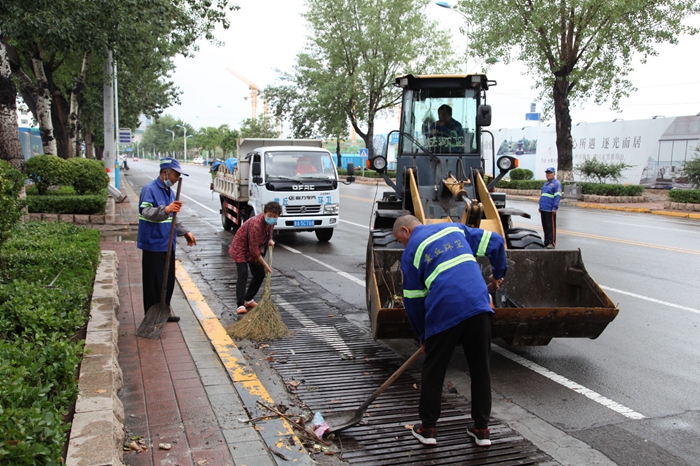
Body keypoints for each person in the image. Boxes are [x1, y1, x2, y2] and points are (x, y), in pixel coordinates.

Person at [392, 215, 507, 448]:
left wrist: (423, 336)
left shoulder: (412, 251)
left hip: (444, 310)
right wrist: (498, 272)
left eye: (400, 239)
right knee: (480, 369)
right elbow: (495, 241)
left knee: (434, 370)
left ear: (406, 229)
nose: (402, 244)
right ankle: (482, 429)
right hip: (478, 305)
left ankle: (428, 428)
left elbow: (413, 301)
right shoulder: (454, 229)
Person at [137, 157, 197, 323]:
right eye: (175, 175)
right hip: (152, 242)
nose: (177, 179)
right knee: (153, 281)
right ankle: (151, 314)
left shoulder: (169, 192)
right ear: (165, 173)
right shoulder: (149, 189)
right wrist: (166, 209)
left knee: (168, 280)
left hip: (167, 243)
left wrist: (185, 232)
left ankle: (164, 309)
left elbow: (173, 218)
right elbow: (146, 212)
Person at [228, 202, 282, 315]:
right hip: (241, 248)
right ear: (264, 213)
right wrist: (265, 265)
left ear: (278, 216)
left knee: (259, 275)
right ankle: (240, 305)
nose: (272, 218)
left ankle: (248, 299)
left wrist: (270, 240)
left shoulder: (271, 223)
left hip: (252, 248)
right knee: (243, 274)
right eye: (270, 215)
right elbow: (254, 251)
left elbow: (269, 232)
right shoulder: (256, 225)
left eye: (274, 216)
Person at [539, 167, 562, 248]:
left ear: (554, 174)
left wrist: (555, 207)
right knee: (545, 226)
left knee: (550, 227)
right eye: (547, 173)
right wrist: (540, 206)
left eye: (550, 173)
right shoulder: (546, 184)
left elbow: (558, 196)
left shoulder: (556, 184)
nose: (548, 174)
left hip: (550, 209)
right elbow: (543, 195)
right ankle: (546, 241)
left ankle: (551, 242)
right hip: (543, 208)